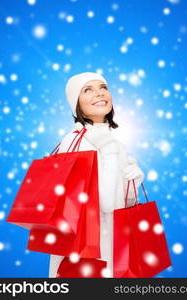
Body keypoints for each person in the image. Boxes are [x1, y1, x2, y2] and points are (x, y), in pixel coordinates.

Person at [48, 72, 145, 277]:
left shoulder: (117, 144)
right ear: (76, 103)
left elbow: (123, 205)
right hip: (87, 250)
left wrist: (133, 180)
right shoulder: (74, 141)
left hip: (113, 245)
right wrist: (109, 152)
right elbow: (105, 203)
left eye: (103, 87)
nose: (99, 94)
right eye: (87, 90)